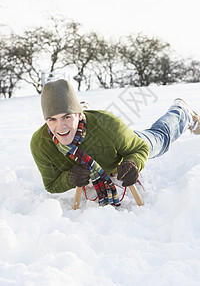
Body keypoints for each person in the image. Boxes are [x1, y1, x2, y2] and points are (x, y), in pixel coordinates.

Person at [30, 79, 200, 206]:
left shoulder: (108, 125)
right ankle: (79, 107)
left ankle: (182, 112)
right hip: (96, 133)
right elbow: (51, 184)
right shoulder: (40, 144)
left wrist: (133, 163)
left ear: (78, 115)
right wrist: (70, 178)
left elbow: (139, 148)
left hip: (120, 143)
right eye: (52, 119)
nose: (60, 127)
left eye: (67, 117)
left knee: (159, 139)